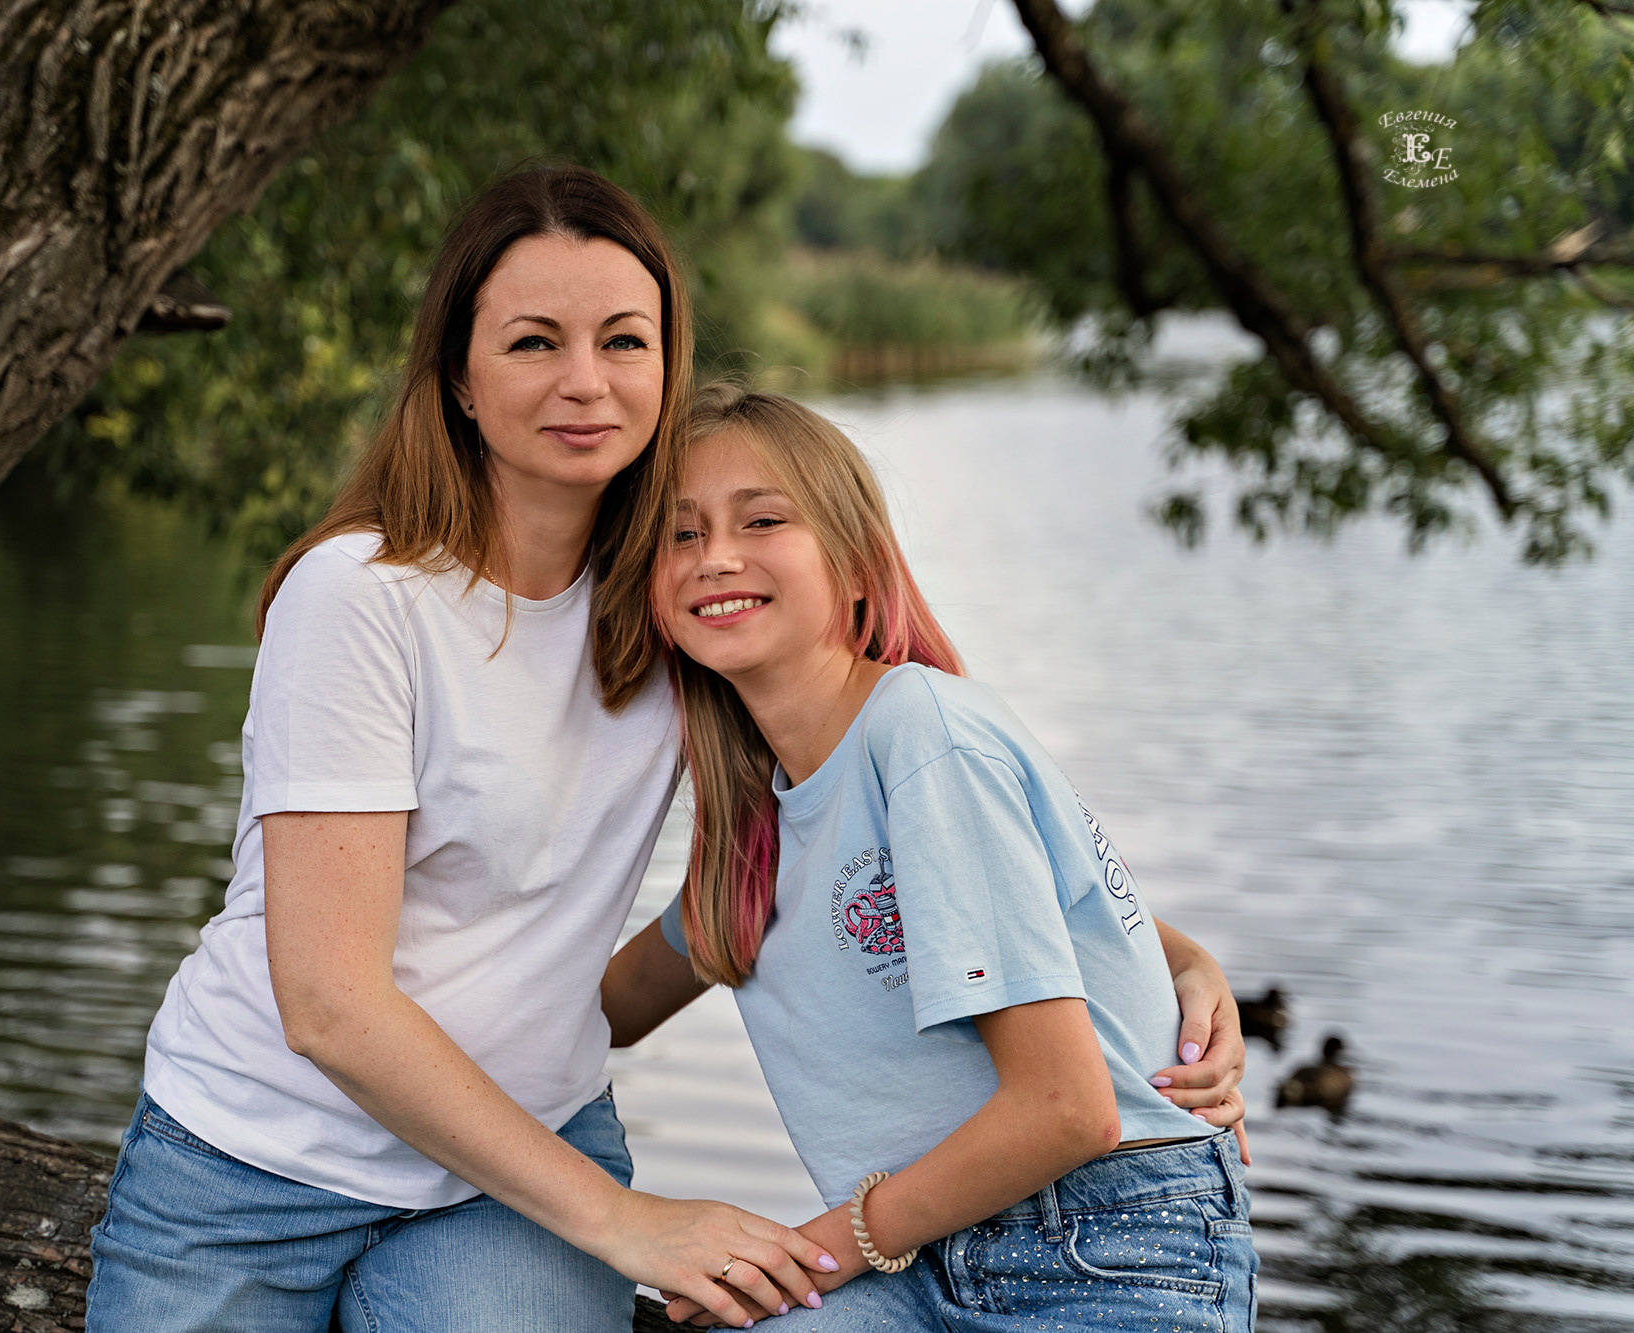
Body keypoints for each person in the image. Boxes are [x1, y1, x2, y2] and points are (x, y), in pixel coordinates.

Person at [87, 166, 1247, 1332]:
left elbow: (977, 853)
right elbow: (330, 1002)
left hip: (531, 1173)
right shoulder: (372, 597)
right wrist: (630, 1222)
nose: (584, 381)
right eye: (532, 342)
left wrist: (1181, 975)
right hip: (267, 1152)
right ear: (459, 379)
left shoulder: (672, 617)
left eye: (622, 340)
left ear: (665, 363)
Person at [604, 385, 1258, 1330]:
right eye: (679, 534)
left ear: (856, 565)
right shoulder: (754, 842)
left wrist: (793, 1260)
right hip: (920, 1256)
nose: (717, 556)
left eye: (763, 520)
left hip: (1099, 1246)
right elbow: (603, 1011)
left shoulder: (918, 732)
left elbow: (1070, 1107)